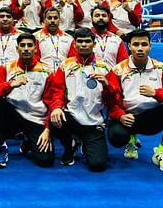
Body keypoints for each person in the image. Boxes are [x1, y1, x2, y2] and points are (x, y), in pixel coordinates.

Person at [108, 29, 163, 173]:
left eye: (144, 44)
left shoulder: (161, 68)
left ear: (150, 46)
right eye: (136, 44)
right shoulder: (117, 70)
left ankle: (161, 152)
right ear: (129, 46)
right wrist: (120, 115)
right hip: (128, 118)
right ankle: (130, 140)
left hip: (152, 118)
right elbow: (110, 99)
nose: (140, 48)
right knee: (116, 138)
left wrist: (156, 93)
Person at [48, 27, 122, 171]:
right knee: (54, 118)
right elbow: (57, 91)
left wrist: (108, 86)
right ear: (74, 44)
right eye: (79, 42)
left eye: (87, 42)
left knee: (98, 165)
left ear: (94, 44)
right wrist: (56, 107)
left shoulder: (105, 67)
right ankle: (70, 145)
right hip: (71, 119)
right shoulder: (65, 65)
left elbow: (114, 101)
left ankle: (86, 144)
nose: (83, 45)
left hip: (93, 123)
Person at [0, 33, 55, 168]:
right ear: (17, 48)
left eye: (29, 45)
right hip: (12, 115)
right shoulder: (6, 68)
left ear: (35, 49)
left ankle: (28, 139)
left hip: (35, 118)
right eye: (22, 45)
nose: (26, 49)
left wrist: (47, 129)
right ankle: (1, 147)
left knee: (46, 161)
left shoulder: (47, 71)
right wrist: (10, 85)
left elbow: (52, 102)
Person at [34, 7, 75, 73]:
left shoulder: (69, 38)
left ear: (59, 20)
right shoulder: (36, 37)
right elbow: (35, 59)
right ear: (44, 20)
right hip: (43, 74)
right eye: (49, 18)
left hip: (64, 74)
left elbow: (72, 60)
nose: (52, 20)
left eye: (55, 18)